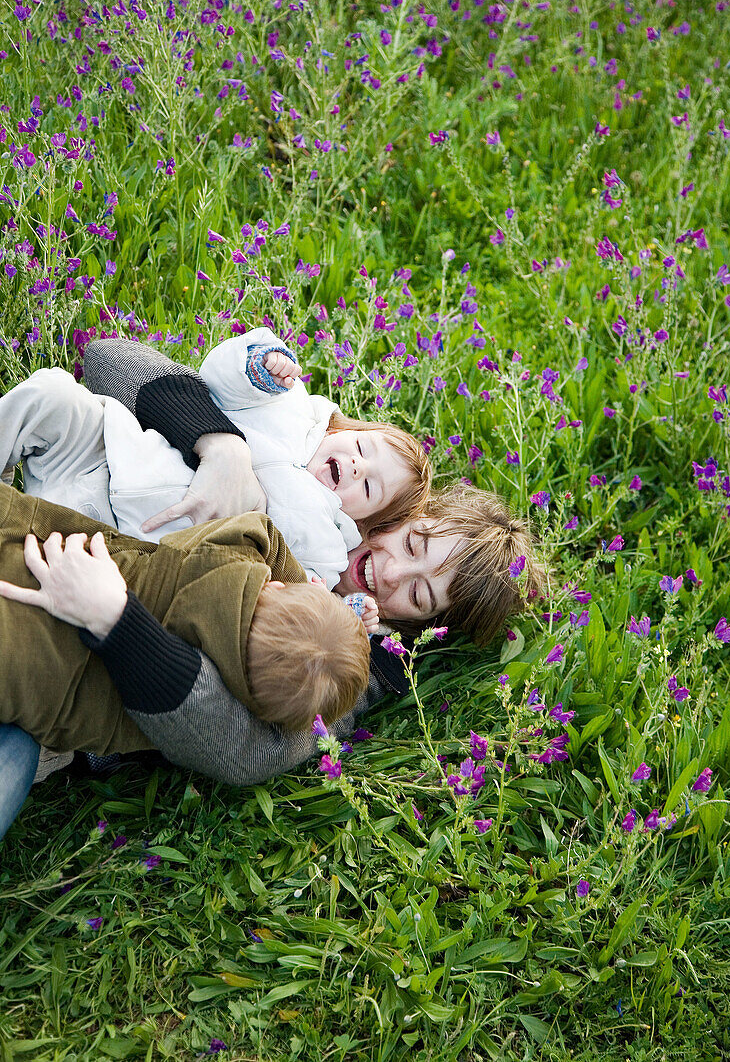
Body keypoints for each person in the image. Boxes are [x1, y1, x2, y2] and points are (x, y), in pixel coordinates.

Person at [0, 337, 542, 839]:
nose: (392, 573)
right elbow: (110, 360)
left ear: (425, 626)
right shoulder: (316, 468)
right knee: (52, 397)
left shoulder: (353, 661)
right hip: (84, 499)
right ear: (409, 514)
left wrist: (118, 623)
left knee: (14, 756)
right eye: (414, 545)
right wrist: (222, 449)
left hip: (73, 649)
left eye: (419, 596)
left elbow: (245, 751)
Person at [4, 325, 431, 591]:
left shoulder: (327, 539)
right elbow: (218, 381)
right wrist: (260, 366)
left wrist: (334, 606)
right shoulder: (290, 408)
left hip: (129, 540)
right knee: (51, 394)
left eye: (369, 487)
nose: (358, 467)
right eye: (362, 448)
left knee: (37, 572)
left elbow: (300, 587)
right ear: (346, 430)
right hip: (113, 456)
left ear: (362, 521)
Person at [0, 484, 370, 752]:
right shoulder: (194, 707)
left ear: (275, 588)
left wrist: (299, 584)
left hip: (36, 547)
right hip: (25, 672)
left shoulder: (221, 557)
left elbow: (262, 529)